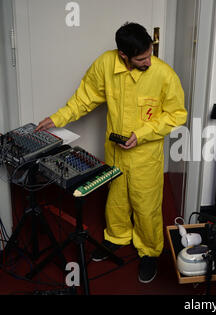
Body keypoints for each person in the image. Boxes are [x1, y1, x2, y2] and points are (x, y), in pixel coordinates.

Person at [36, 22, 187, 284]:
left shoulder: (164, 74)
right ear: (123, 56)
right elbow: (84, 98)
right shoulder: (105, 65)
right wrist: (57, 118)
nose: (148, 61)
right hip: (115, 150)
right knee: (116, 198)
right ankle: (117, 236)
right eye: (142, 58)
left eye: (150, 54)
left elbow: (177, 115)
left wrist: (141, 134)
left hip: (145, 154)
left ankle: (150, 250)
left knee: (146, 204)